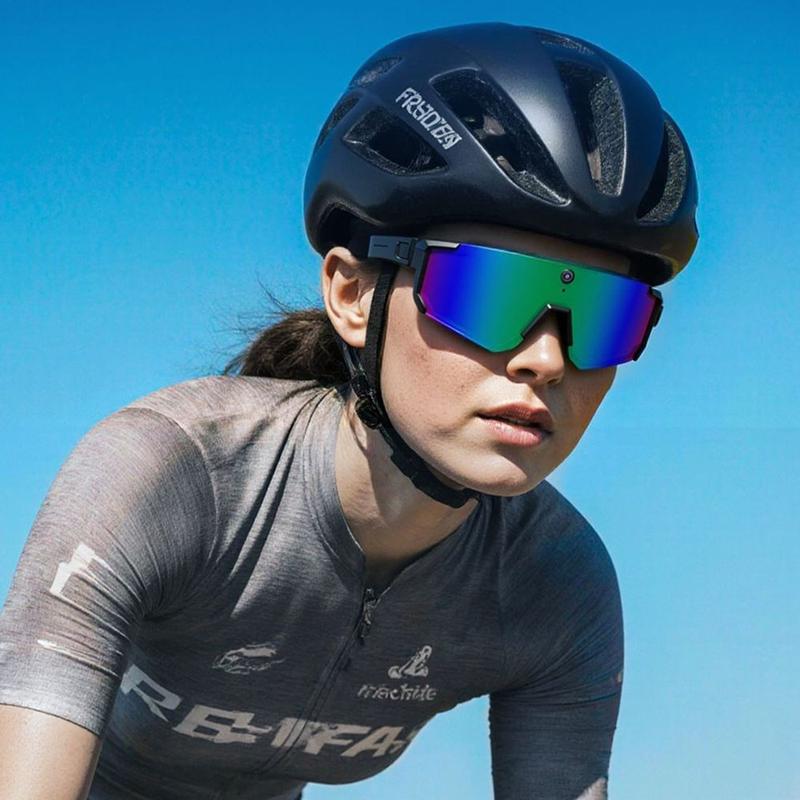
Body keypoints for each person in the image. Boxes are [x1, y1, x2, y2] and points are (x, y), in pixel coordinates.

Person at [0, 21, 698, 800]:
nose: (546, 359)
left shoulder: (557, 582)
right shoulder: (169, 471)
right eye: (490, 293)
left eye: (603, 317)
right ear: (353, 295)